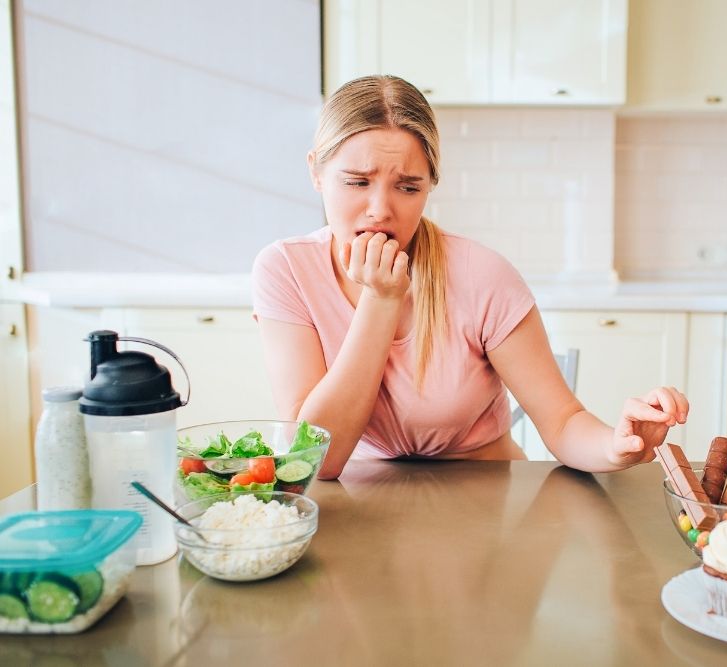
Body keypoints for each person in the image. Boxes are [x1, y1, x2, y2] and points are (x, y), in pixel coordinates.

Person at [252, 75, 688, 480]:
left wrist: (617, 445)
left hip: (491, 499)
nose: (380, 209)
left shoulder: (482, 275)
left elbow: (562, 421)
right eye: (356, 182)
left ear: (430, 186)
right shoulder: (287, 270)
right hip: (363, 503)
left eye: (408, 188)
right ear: (316, 171)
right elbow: (315, 462)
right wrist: (381, 301)